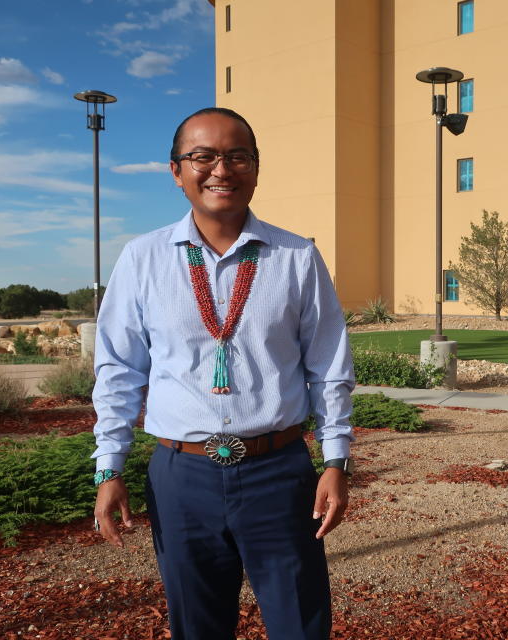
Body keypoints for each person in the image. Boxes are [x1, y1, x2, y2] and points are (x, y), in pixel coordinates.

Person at [90, 107, 354, 640]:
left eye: (237, 156)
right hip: (181, 477)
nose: (221, 169)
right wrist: (108, 468)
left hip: (278, 472)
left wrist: (336, 461)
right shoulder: (142, 259)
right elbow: (118, 369)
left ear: (256, 168)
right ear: (176, 170)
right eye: (203, 156)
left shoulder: (296, 257)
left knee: (301, 624)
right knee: (198, 626)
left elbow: (329, 366)